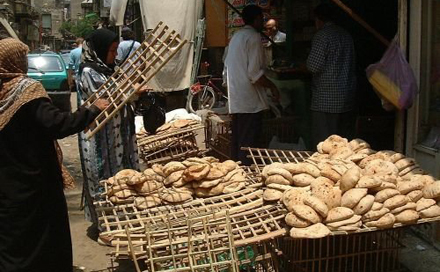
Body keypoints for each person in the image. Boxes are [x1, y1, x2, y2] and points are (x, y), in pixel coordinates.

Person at [0, 38, 108, 272]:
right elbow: (58, 124)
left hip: (7, 183)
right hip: (35, 180)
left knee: (13, 237)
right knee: (42, 235)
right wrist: (92, 110)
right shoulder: (25, 91)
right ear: (15, 61)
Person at [78, 28, 140, 225]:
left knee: (122, 174)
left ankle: (122, 219)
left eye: (116, 51)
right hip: (100, 136)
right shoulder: (88, 71)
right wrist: (130, 93)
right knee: (102, 176)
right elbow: (104, 99)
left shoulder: (111, 68)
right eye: (111, 51)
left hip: (118, 134)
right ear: (100, 49)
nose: (114, 55)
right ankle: (104, 223)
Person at [224, 5, 280, 165]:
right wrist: (273, 87)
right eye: (261, 19)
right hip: (249, 100)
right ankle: (245, 178)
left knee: (238, 142)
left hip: (237, 98)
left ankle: (235, 174)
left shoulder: (237, 37)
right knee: (248, 145)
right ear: (256, 19)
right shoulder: (253, 37)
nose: (262, 22)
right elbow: (254, 74)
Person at [307, 3, 356, 149]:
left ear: (318, 19)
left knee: (325, 145)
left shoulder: (322, 36)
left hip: (326, 100)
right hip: (346, 98)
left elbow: (313, 66)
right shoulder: (346, 35)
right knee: (344, 145)